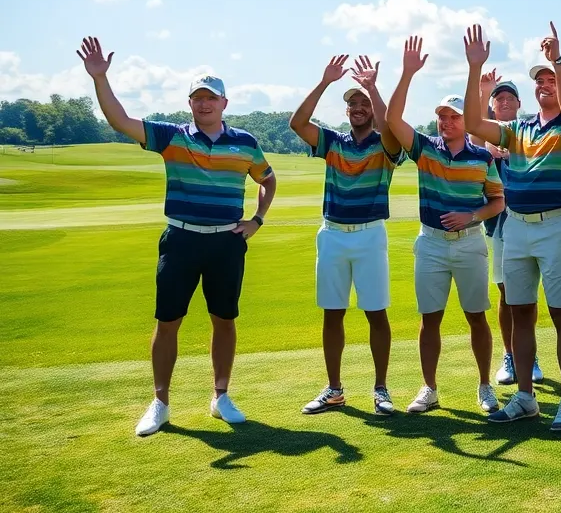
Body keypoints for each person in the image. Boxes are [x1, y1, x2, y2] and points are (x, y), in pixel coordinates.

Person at [77, 37, 277, 437]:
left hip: (225, 242)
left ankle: (221, 397)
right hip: (181, 240)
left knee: (225, 319)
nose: (204, 104)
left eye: (211, 98)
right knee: (168, 321)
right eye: (197, 98)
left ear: (224, 103)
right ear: (190, 103)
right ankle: (161, 402)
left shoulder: (246, 143)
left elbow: (268, 180)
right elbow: (120, 120)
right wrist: (100, 79)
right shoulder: (172, 136)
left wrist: (256, 220)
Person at [461, 23, 561, 431]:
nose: (544, 84)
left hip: (554, 226)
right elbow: (473, 125)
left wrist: (558, 61)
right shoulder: (519, 128)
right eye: (541, 81)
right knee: (519, 314)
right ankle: (526, 397)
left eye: (551, 80)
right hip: (515, 226)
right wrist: (474, 68)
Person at [384, 36, 505, 414]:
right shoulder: (426, 149)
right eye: (442, 116)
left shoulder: (481, 157)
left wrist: (472, 216)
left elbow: (498, 201)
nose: (447, 122)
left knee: (476, 317)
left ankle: (485, 385)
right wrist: (407, 74)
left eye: (454, 116)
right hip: (432, 243)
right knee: (430, 318)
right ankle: (429, 388)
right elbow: (392, 120)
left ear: (466, 120)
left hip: (469, 242)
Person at [289, 54, 404, 416]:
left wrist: (373, 87)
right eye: (352, 103)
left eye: (363, 103)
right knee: (332, 312)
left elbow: (391, 130)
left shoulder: (386, 144)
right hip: (333, 233)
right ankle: (334, 389)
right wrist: (324, 82)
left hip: (370, 234)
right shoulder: (333, 142)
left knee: (376, 312)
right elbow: (297, 123)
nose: (357, 108)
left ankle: (381, 389)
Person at [475, 72, 544, 389]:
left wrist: (512, 151)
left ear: (518, 104)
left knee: (527, 293)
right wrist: (483, 89)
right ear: (492, 106)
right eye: (498, 98)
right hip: (499, 224)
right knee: (505, 292)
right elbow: (475, 137)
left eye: (509, 98)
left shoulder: (529, 132)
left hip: (528, 219)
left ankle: (530, 357)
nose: (504, 102)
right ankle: (510, 356)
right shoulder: (485, 137)